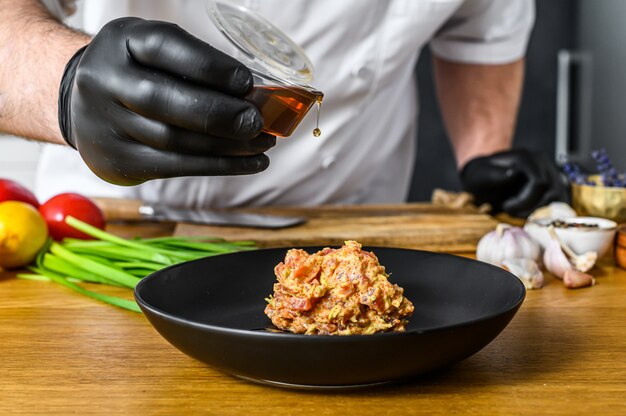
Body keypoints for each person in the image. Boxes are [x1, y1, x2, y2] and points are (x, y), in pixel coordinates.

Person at [0, 0, 564, 217]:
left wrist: (484, 154)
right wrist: (67, 83)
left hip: (340, 223)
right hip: (102, 220)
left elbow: (479, 31)